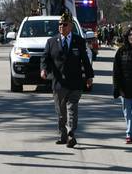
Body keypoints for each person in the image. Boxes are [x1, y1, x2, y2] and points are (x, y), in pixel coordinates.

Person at [40, 11, 94, 148]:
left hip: (75, 82)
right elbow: (45, 58)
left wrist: (89, 76)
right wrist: (43, 69)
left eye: (64, 24)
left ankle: (71, 134)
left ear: (70, 26)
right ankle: (63, 135)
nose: (61, 27)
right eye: (59, 24)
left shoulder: (79, 41)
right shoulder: (51, 41)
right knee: (61, 112)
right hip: (59, 83)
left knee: (72, 108)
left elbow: (85, 61)